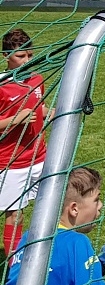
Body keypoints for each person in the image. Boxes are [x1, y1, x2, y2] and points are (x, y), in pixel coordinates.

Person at [0, 29, 48, 256]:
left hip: (41, 157)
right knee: (15, 214)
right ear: (6, 56)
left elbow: (39, 108)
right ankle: (14, 266)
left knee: (47, 208)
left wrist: (52, 112)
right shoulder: (2, 85)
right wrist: (15, 120)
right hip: (12, 163)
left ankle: (41, 257)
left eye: (30, 55)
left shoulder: (37, 79)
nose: (27, 60)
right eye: (20, 56)